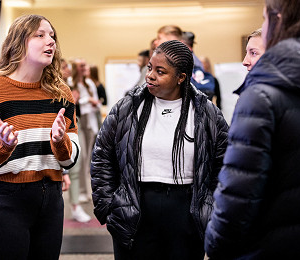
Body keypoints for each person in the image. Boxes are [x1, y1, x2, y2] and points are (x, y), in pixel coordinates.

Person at [205, 0, 300, 259]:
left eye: (265, 17)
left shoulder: (262, 94)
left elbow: (240, 189)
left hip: (272, 247)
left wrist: (216, 244)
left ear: (278, 18)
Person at [91, 40, 229, 260]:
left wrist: (211, 209)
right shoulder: (127, 107)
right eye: (149, 68)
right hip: (136, 208)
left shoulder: (207, 113)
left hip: (187, 211)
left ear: (181, 77)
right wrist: (108, 205)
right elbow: (102, 156)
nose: (150, 75)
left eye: (160, 71)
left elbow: (223, 165)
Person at [0, 14, 80, 259]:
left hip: (50, 199)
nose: (50, 41)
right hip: (3, 201)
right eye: (40, 35)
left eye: (52, 36)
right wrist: (3, 145)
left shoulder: (61, 92)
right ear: (18, 43)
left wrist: (61, 141)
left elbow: (71, 160)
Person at [61, 58, 92, 223]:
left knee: (76, 166)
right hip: (60, 131)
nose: (68, 70)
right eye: (64, 67)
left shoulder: (71, 87)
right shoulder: (53, 88)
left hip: (74, 127)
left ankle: (75, 206)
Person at [71, 58, 101, 203]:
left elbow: (96, 103)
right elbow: (73, 102)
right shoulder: (71, 83)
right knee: (81, 158)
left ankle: (88, 190)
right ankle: (82, 191)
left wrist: (91, 102)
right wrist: (86, 101)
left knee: (89, 159)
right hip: (79, 123)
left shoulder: (89, 83)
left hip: (91, 124)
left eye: (85, 65)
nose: (85, 67)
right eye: (81, 65)